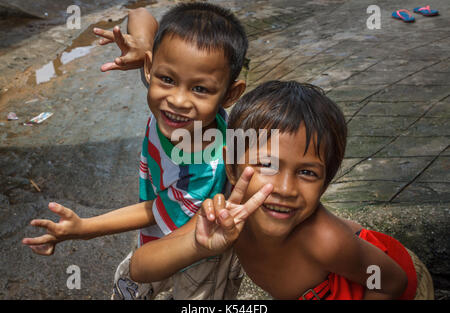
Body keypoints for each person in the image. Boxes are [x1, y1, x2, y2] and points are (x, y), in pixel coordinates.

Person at [22, 2, 248, 300]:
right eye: (166, 79)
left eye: (200, 89)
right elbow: (139, 13)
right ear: (150, 68)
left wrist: (83, 229)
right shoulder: (170, 96)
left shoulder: (203, 167)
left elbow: (152, 212)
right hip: (166, 225)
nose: (178, 100)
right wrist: (141, 44)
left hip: (200, 257)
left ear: (230, 95)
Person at [129, 80, 434, 300]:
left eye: (307, 172)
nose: (286, 188)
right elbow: (140, 268)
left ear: (324, 182)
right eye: (268, 165)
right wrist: (198, 246)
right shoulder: (226, 215)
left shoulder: (325, 241)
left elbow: (391, 282)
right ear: (232, 169)